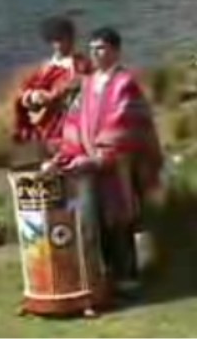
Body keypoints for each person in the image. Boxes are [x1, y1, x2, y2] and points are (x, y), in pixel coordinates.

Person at [44, 27, 163, 296]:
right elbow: (74, 122)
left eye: (101, 48)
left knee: (118, 220)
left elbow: (124, 124)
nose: (95, 53)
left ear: (115, 50)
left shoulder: (125, 83)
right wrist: (66, 156)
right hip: (88, 164)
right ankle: (104, 276)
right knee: (92, 220)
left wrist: (98, 157)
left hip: (118, 165)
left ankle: (127, 278)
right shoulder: (87, 83)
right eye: (92, 48)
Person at [13, 16, 92, 149]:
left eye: (62, 40)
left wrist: (49, 95)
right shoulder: (48, 65)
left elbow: (75, 83)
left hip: (65, 107)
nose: (59, 45)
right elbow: (31, 83)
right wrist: (29, 94)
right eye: (56, 41)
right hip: (42, 104)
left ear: (71, 39)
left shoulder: (79, 63)